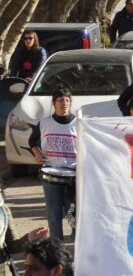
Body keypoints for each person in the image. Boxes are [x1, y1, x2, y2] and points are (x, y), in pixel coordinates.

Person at [28, 89, 77, 240]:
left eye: (67, 100)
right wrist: (37, 153)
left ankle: (78, 240)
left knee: (72, 211)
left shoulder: (79, 123)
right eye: (60, 100)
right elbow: (32, 141)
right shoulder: (45, 123)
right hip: (50, 173)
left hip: (73, 174)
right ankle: (57, 245)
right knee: (54, 212)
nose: (64, 103)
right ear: (53, 103)